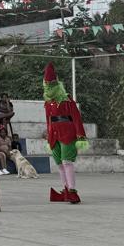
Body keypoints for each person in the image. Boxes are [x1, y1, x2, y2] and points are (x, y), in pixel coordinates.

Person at [43, 63, 87, 204]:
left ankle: (72, 190)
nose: (48, 87)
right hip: (54, 135)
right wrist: (48, 135)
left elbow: (76, 117)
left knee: (67, 162)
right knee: (60, 164)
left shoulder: (67, 100)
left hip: (67, 134)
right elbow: (48, 120)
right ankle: (66, 189)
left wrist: (80, 135)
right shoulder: (47, 103)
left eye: (51, 84)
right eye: (46, 84)